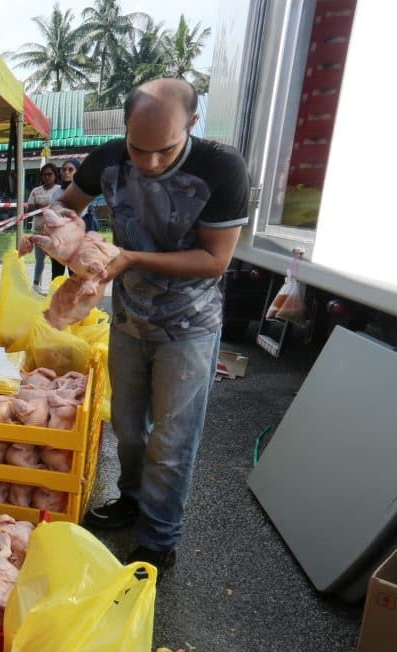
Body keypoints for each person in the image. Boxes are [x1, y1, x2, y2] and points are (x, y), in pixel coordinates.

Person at [59, 78, 250, 571]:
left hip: (188, 326)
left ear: (192, 123)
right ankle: (131, 500)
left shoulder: (220, 168)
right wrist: (60, 239)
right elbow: (66, 208)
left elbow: (214, 259)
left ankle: (158, 539)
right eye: (137, 149)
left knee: (172, 439)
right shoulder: (106, 157)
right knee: (128, 427)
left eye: (164, 151)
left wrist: (128, 257)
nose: (147, 163)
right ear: (124, 128)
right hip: (127, 318)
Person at [26, 163, 65, 291]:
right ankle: (36, 285)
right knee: (39, 259)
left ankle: (56, 287)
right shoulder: (35, 191)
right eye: (44, 175)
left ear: (55, 175)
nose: (47, 177)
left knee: (57, 261)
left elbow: (56, 209)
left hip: (55, 233)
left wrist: (41, 208)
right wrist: (45, 208)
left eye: (50, 174)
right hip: (38, 231)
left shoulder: (60, 190)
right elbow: (30, 209)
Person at [59, 158, 99, 232]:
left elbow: (80, 213)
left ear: (78, 172)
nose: (66, 172)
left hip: (83, 226)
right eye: (64, 169)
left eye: (70, 170)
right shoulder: (57, 191)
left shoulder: (83, 189)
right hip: (64, 229)